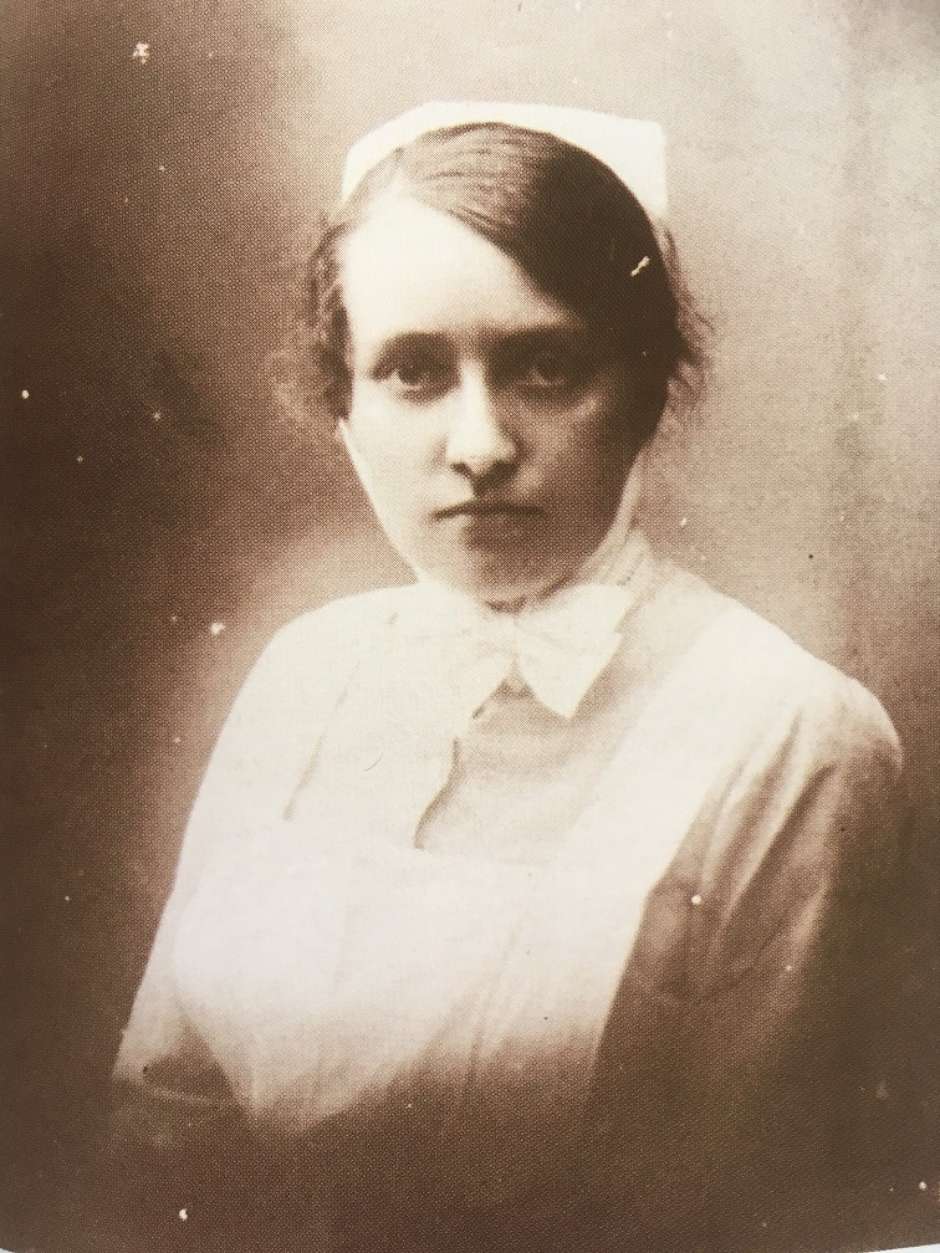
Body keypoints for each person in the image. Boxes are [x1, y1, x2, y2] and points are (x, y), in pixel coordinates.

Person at [104, 104, 913, 1252]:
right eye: (413, 371)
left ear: (645, 389)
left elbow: (762, 1213)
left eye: (545, 366)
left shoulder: (792, 737)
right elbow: (161, 1125)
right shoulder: (308, 675)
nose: (480, 444)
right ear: (345, 408)